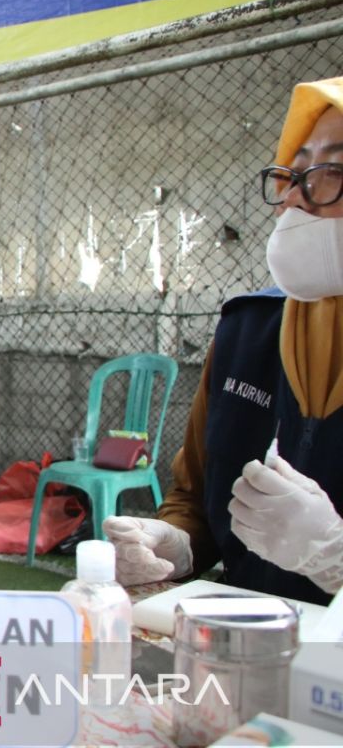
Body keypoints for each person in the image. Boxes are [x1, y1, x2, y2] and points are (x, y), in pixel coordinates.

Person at [105, 76, 343, 605]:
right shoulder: (247, 330)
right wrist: (176, 544)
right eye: (293, 172)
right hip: (247, 647)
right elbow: (194, 493)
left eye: (329, 172)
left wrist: (335, 557)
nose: (295, 199)